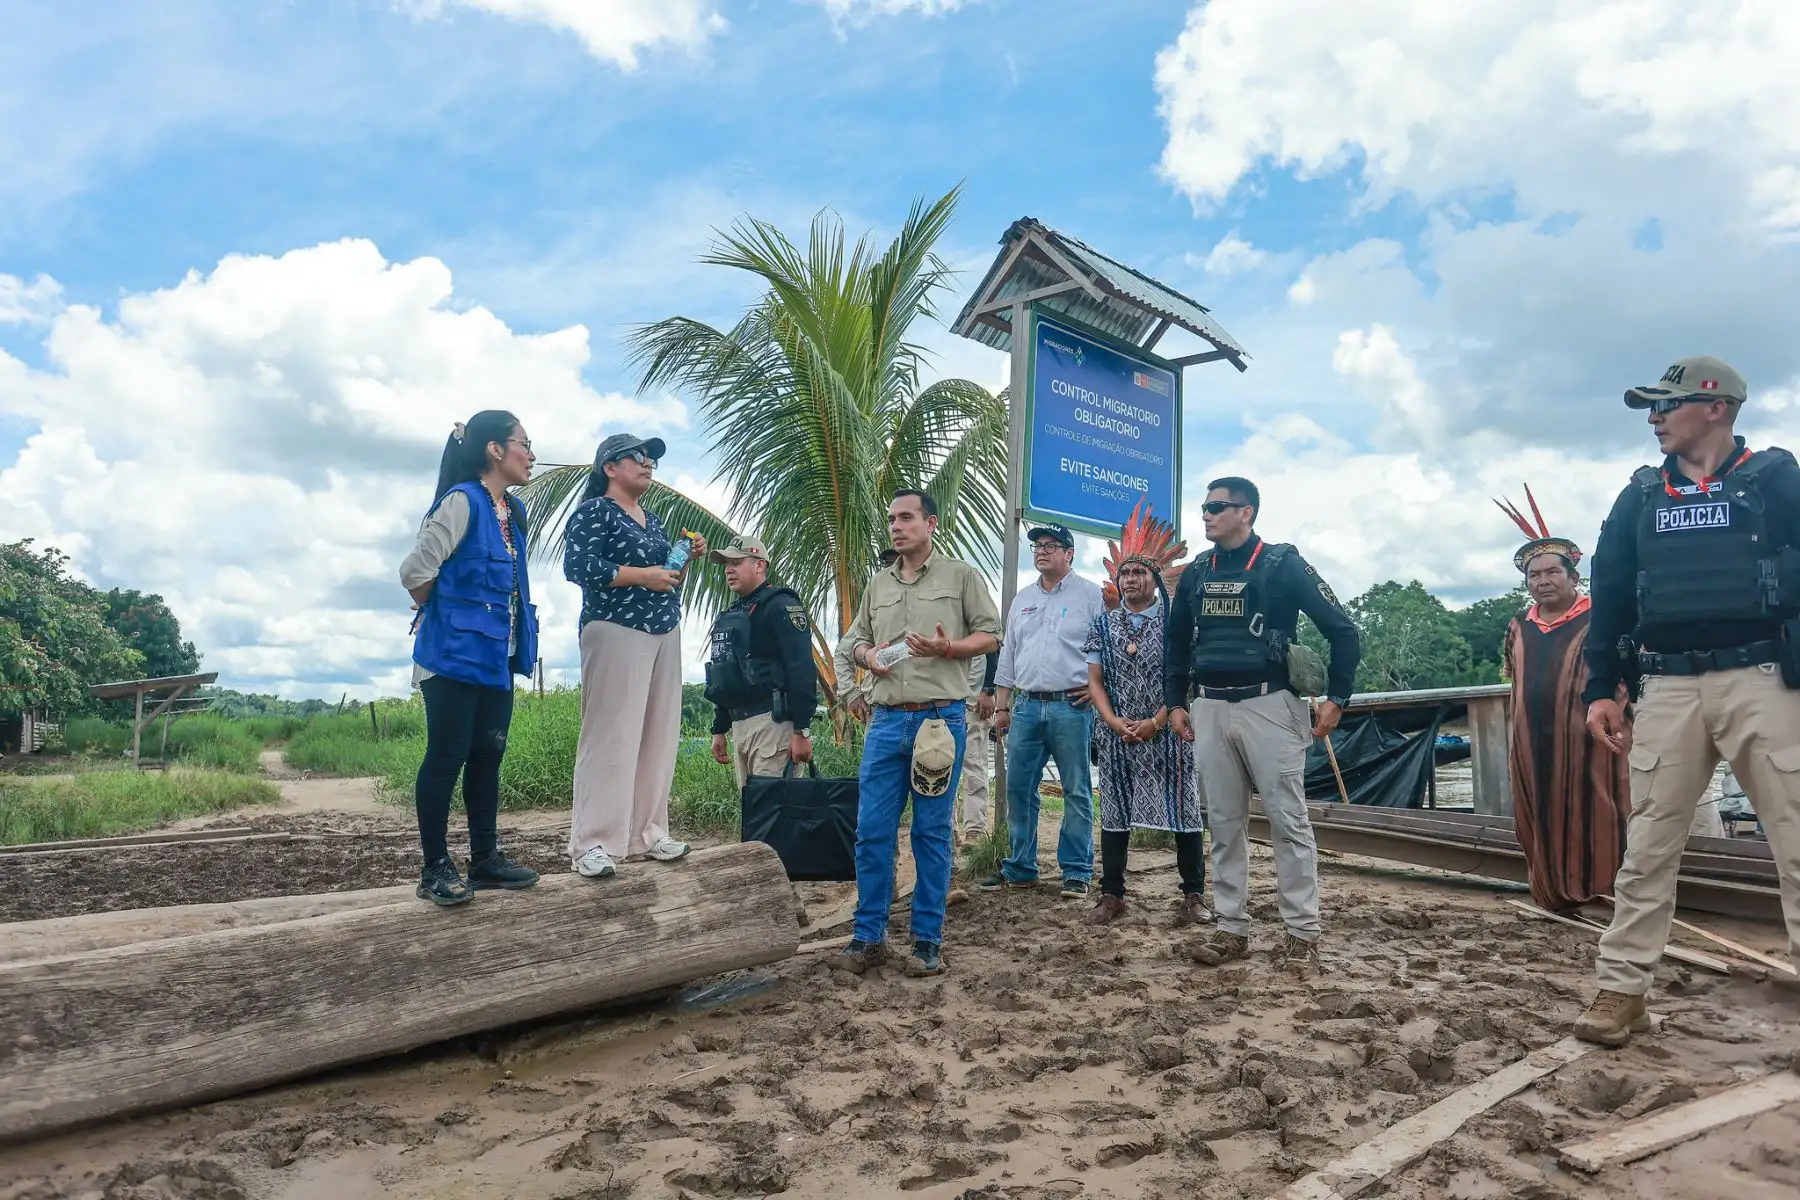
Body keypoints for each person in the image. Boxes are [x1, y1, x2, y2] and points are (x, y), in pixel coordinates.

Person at [1573, 356, 1800, 1046]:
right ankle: (1621, 990)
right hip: (1666, 684)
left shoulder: (1776, 480)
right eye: (1650, 407)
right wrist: (1600, 687)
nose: (1654, 418)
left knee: (1795, 841)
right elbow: (1609, 591)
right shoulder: (1640, 496)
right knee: (1648, 845)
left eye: (1664, 405)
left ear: (1717, 407)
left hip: (1763, 678)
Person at [1165, 477, 1360, 971]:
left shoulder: (1281, 563)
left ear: (1247, 512)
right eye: (1204, 507)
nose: (1206, 515)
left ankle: (1302, 933)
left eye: (1217, 507)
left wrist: (1338, 696)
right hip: (1208, 706)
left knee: (1287, 820)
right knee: (1225, 823)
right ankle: (1231, 928)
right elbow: (1175, 644)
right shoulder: (1197, 572)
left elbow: (1342, 629)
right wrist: (1174, 702)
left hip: (1270, 705)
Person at [834, 490, 1002, 977]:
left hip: (938, 723)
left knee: (931, 833)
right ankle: (868, 937)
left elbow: (992, 635)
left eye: (906, 518)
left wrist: (947, 648)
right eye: (890, 519)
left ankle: (927, 940)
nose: (896, 526)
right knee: (872, 833)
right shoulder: (878, 584)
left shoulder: (961, 576)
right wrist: (867, 657)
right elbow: (858, 640)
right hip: (886, 723)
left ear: (931, 523)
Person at [399, 411, 543, 905]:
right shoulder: (462, 502)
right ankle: (434, 867)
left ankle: (485, 860)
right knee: (446, 756)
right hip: (451, 656)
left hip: (494, 660)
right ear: (495, 450)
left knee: (488, 755)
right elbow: (416, 571)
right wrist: (445, 615)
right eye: (525, 443)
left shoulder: (513, 512)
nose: (531, 454)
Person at [563, 433, 706, 880]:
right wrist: (642, 574)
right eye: (638, 458)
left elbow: (667, 575)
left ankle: (649, 832)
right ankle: (593, 842)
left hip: (663, 628)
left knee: (658, 735)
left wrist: (685, 559)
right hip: (616, 626)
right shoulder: (594, 511)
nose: (648, 465)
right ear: (609, 466)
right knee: (610, 736)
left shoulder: (655, 519)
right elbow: (578, 566)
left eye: (652, 461)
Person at [1494, 489, 1631, 914]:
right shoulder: (1518, 625)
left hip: (1590, 738)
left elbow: (1627, 677)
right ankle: (1551, 892)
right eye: (1534, 576)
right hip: (1532, 742)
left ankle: (1606, 894)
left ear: (1574, 577)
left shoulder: (1601, 619)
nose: (1543, 581)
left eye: (1553, 572)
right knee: (1537, 810)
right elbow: (1514, 681)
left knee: (1600, 812)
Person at [981, 523, 1106, 899]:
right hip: (1026, 707)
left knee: (1077, 790)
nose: (1041, 551)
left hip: (1073, 707)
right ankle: (1020, 867)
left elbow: (1108, 650)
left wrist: (1099, 688)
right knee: (1019, 789)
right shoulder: (1022, 599)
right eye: (1037, 545)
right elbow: (1009, 656)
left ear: (1069, 554)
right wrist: (1002, 707)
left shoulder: (1091, 596)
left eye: (1051, 546)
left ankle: (1076, 871)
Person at [1083, 555, 1207, 927]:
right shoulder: (1103, 625)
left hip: (1168, 729)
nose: (1131, 579)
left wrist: (1157, 719)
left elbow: (1185, 675)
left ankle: (1193, 894)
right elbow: (1094, 680)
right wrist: (1113, 720)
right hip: (1117, 732)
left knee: (1185, 809)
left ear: (1155, 579)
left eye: (1139, 572)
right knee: (1115, 811)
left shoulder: (1175, 624)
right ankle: (1112, 895)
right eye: (1125, 573)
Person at [705, 535, 817, 788]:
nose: (729, 569)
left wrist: (802, 730)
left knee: (775, 817)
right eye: (726, 564)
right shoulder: (732, 613)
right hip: (740, 725)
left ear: (759, 565)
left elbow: (801, 669)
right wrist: (719, 728)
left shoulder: (781, 605)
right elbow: (725, 675)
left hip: (773, 724)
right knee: (754, 817)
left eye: (736, 561)